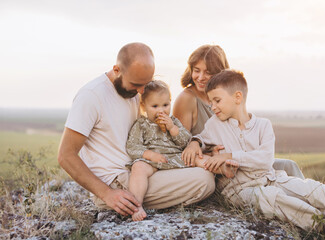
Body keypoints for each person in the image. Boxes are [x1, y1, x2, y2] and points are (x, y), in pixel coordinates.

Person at [185, 69, 325, 238]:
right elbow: (202, 139)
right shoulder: (214, 124)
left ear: (237, 97)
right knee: (275, 199)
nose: (212, 106)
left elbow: (265, 159)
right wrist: (195, 142)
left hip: (272, 179)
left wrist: (230, 155)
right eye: (210, 102)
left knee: (313, 189)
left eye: (217, 100)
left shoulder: (263, 125)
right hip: (240, 190)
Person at [57, 43, 215, 217]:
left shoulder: (134, 93)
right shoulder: (91, 96)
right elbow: (66, 155)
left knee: (204, 169)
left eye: (146, 83)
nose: (142, 91)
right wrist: (106, 194)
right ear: (117, 70)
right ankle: (131, 204)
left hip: (141, 171)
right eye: (136, 84)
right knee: (204, 180)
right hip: (117, 183)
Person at [173, 44, 305, 179]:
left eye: (208, 72)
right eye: (196, 70)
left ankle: (305, 195)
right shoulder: (186, 99)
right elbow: (181, 145)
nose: (200, 77)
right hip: (216, 165)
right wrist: (207, 151)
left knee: (289, 166)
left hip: (237, 157)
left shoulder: (226, 98)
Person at [126, 80, 238, 221]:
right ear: (143, 106)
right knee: (138, 167)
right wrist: (150, 155)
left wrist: (173, 129)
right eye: (154, 106)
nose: (161, 110)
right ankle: (136, 205)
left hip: (175, 157)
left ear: (170, 103)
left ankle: (222, 168)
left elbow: (186, 141)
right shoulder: (141, 125)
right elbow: (132, 146)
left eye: (165, 105)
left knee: (197, 157)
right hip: (152, 161)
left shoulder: (173, 121)